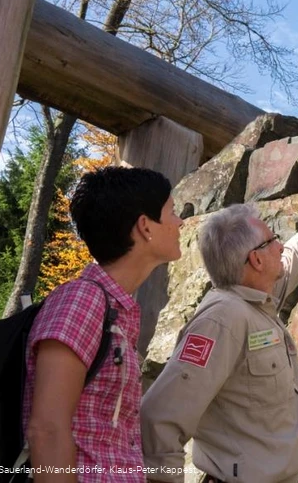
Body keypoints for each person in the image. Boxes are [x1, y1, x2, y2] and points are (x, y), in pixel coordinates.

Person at [141, 156, 298, 483]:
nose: (281, 245)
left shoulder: (260, 296)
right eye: (272, 239)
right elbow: (158, 418)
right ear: (256, 259)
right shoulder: (223, 319)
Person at [23, 166, 184, 482]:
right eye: (173, 212)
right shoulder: (82, 301)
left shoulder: (116, 309)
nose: (180, 222)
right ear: (145, 227)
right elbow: (47, 429)